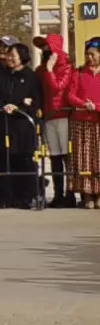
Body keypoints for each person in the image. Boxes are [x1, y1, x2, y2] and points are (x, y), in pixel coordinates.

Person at [0, 38, 41, 209]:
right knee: (3, 160)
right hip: (3, 124)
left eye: (12, 55)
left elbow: (34, 100)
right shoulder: (0, 75)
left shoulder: (31, 76)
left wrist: (20, 106)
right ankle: (5, 195)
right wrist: (3, 106)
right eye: (7, 55)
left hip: (22, 126)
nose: (8, 58)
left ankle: (27, 196)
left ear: (21, 57)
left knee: (23, 160)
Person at [34, 35, 75, 206]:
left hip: (63, 115)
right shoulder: (40, 70)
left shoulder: (66, 67)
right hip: (48, 116)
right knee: (55, 157)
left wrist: (50, 69)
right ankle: (58, 194)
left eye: (47, 47)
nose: (44, 50)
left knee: (67, 157)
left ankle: (70, 194)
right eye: (42, 48)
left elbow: (57, 86)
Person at [67, 39, 100, 207]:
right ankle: (86, 196)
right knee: (83, 159)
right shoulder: (78, 72)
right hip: (81, 123)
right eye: (87, 54)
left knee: (98, 159)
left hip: (98, 122)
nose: (89, 57)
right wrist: (84, 104)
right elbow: (70, 95)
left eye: (93, 54)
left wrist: (96, 106)